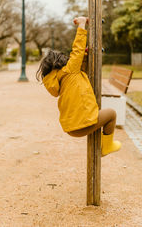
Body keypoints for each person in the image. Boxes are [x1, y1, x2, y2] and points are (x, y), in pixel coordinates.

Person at [36, 17, 121, 156]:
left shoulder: (58, 79)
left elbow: (83, 73)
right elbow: (78, 49)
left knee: (104, 114)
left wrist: (85, 59)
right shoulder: (70, 70)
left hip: (71, 128)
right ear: (62, 62)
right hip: (83, 124)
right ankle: (107, 147)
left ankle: (105, 143)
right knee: (111, 114)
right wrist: (82, 24)